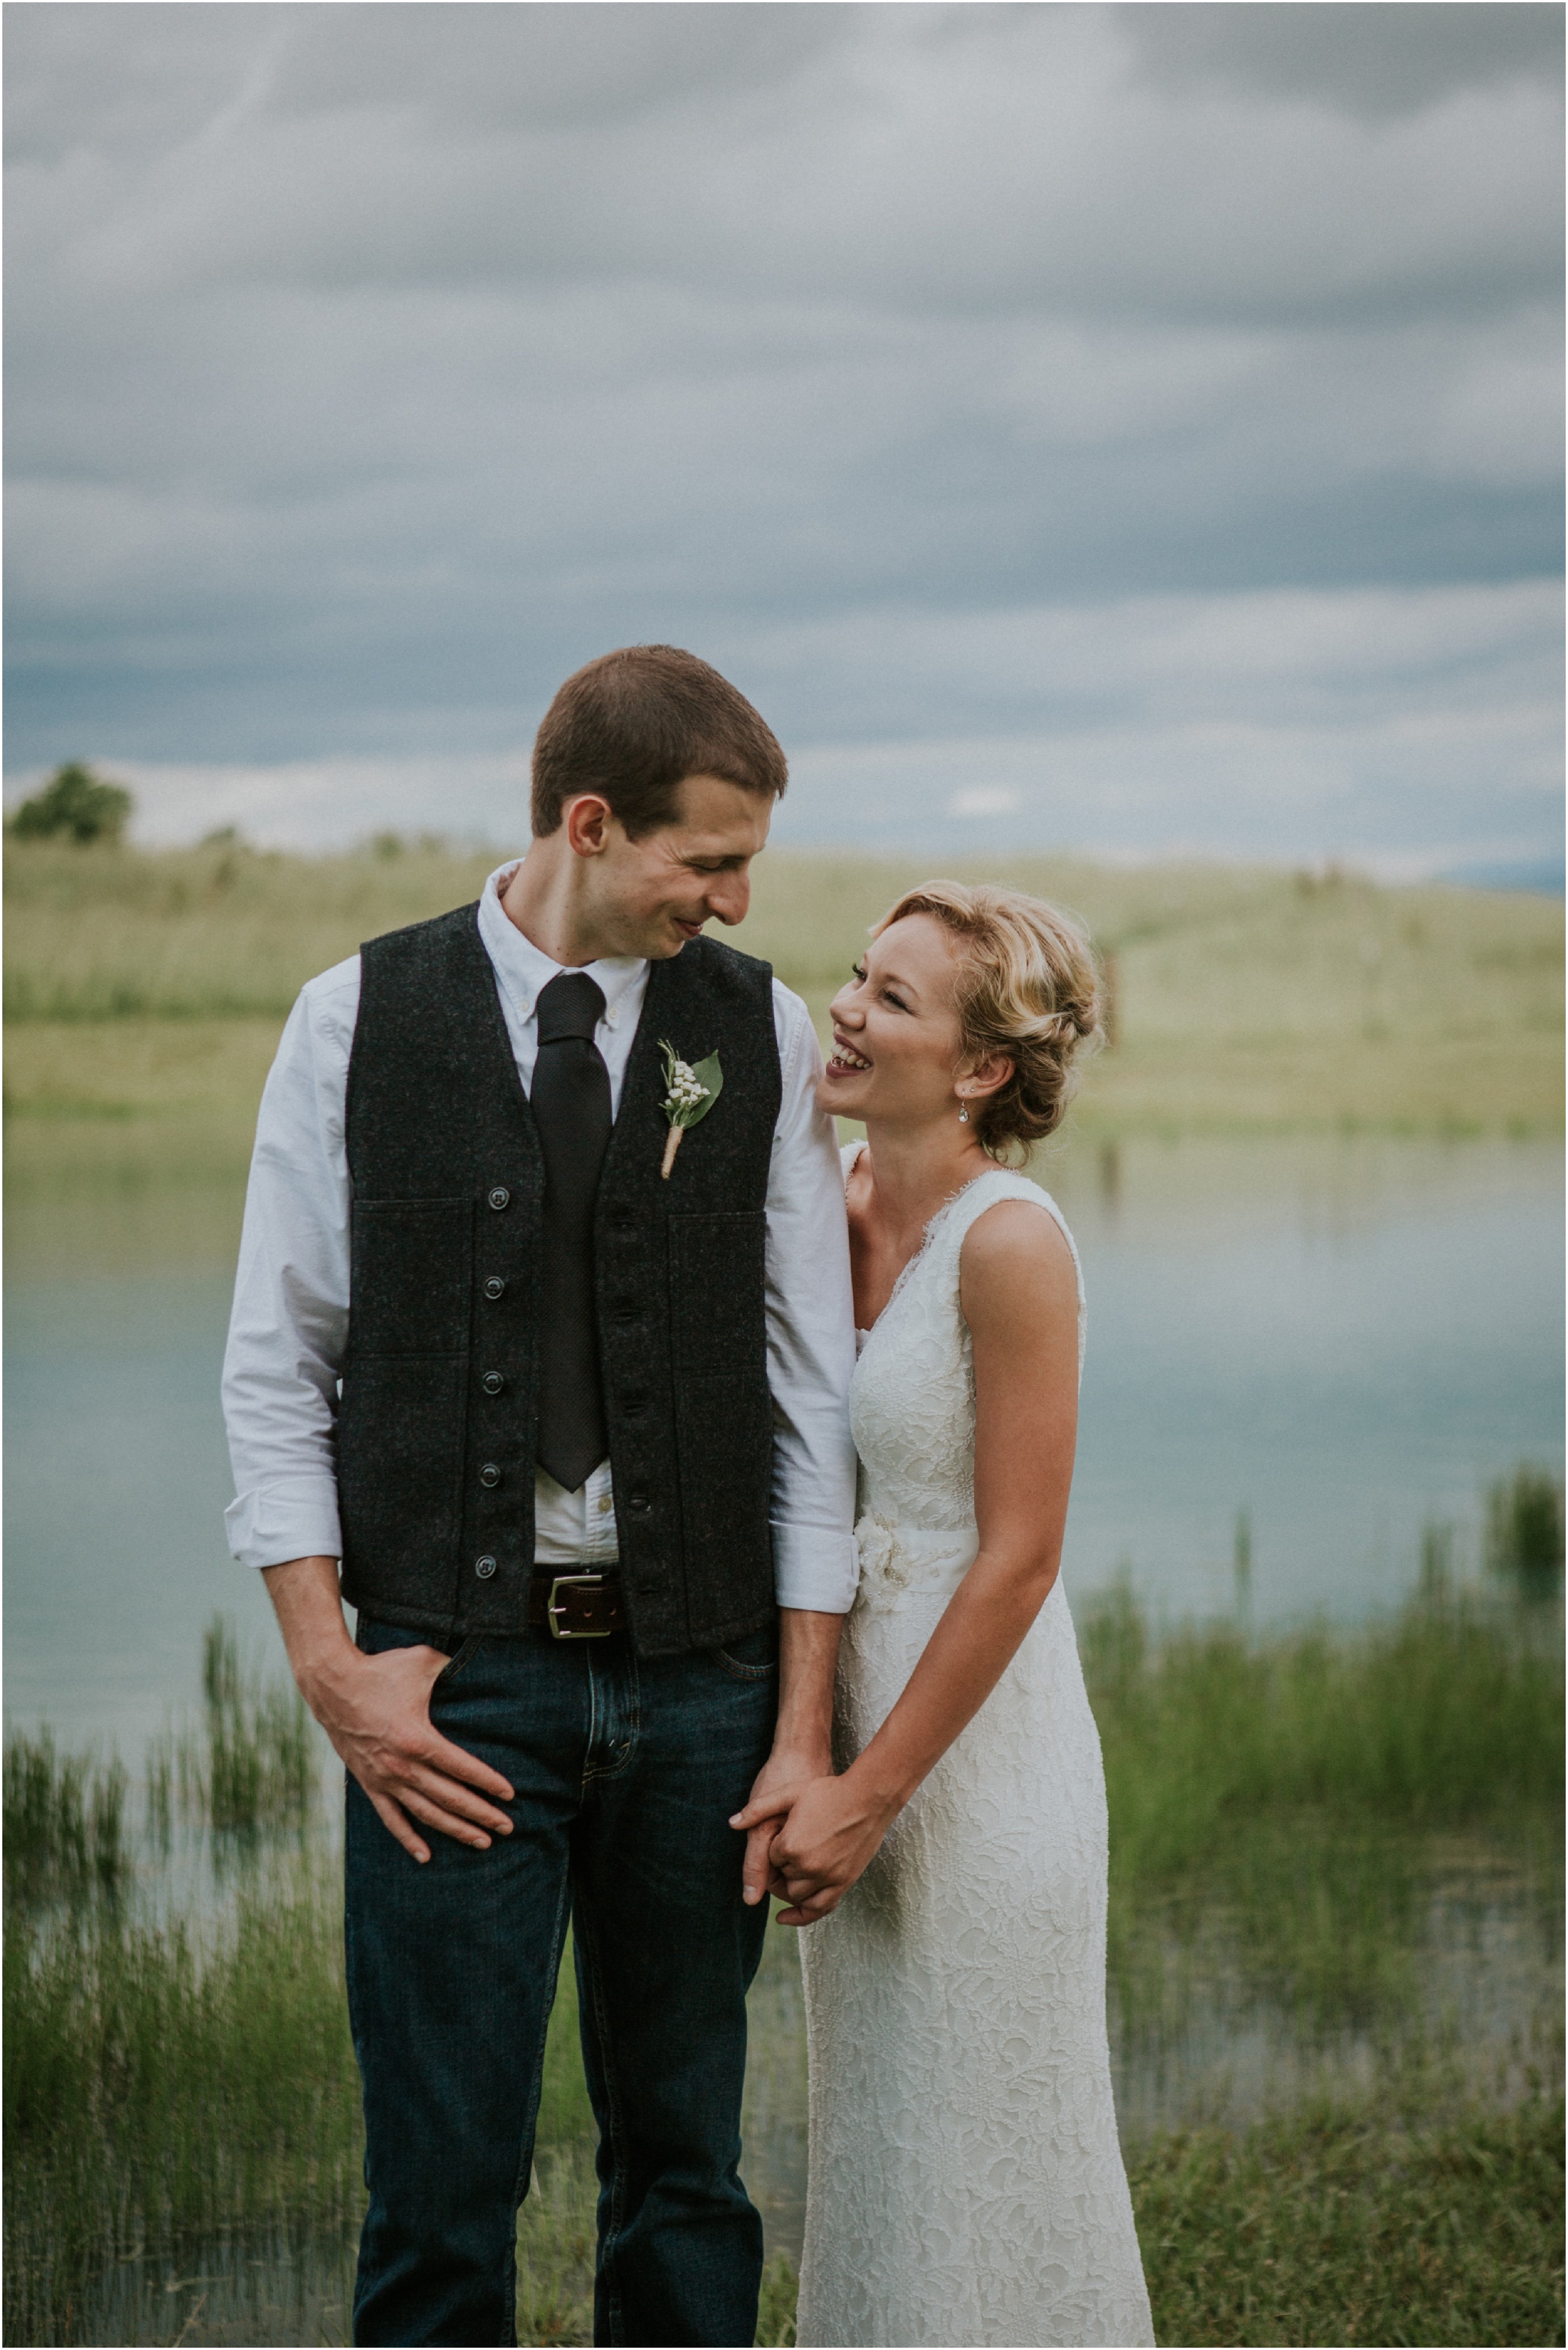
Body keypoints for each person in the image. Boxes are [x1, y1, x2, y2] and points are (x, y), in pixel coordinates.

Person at [220, 646, 858, 2349]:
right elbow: (276, 1368)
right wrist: (331, 1668)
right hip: (451, 1692)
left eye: (744, 869)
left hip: (705, 1687)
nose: (727, 900)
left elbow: (808, 1400)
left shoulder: (764, 1027)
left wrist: (798, 1730)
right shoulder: (352, 1016)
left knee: (686, 2175)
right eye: (703, 862)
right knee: (437, 2192)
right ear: (590, 821)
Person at [732, 881, 1154, 2348]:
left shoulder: (1012, 1242)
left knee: (994, 2118)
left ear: (982, 1067)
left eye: (892, 997)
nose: (844, 1007)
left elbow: (1019, 1558)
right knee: (886, 2124)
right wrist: (811, 1753)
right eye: (857, 976)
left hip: (981, 1753)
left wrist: (870, 1793)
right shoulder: (821, 1193)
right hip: (836, 1719)